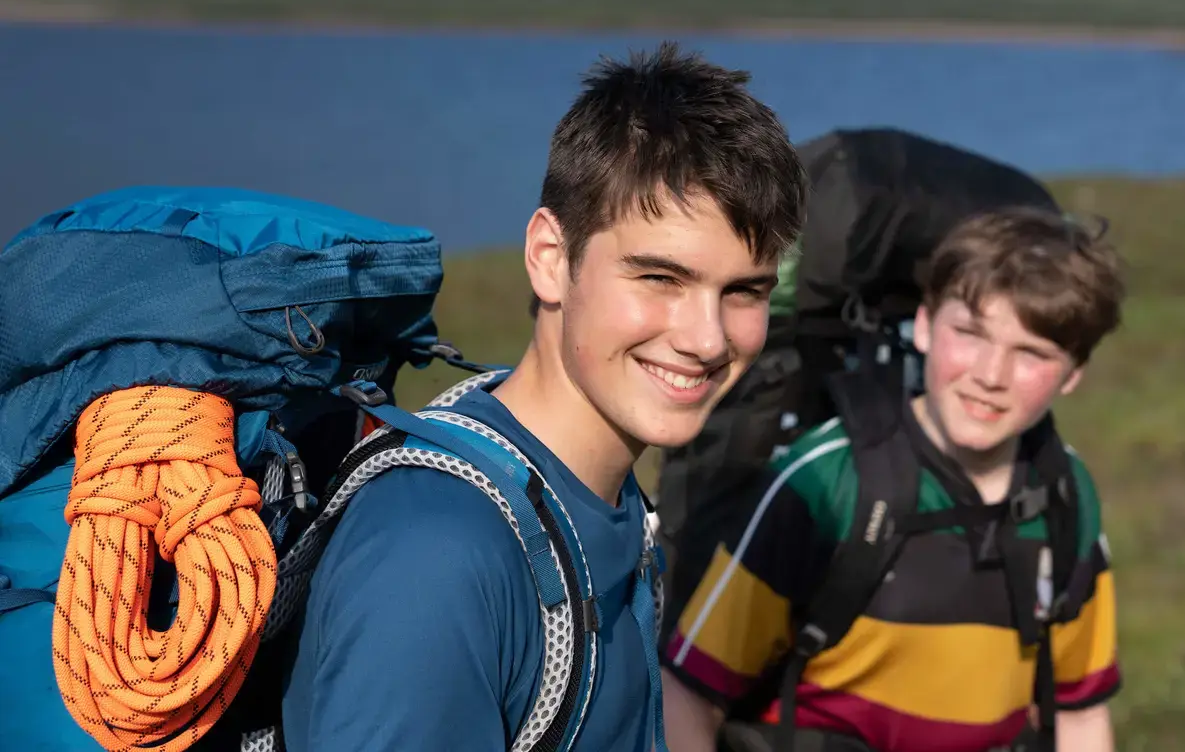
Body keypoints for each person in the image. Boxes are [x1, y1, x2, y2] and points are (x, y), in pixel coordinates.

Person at [281, 41, 808, 750]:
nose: (708, 339)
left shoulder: (603, 503)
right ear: (550, 260)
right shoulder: (439, 552)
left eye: (744, 291)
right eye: (660, 278)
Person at [659, 207, 1125, 752]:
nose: (990, 376)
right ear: (924, 325)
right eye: (970, 333)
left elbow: (1080, 713)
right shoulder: (825, 483)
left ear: (1073, 373)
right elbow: (688, 695)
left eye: (1032, 353)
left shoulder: (1065, 494)